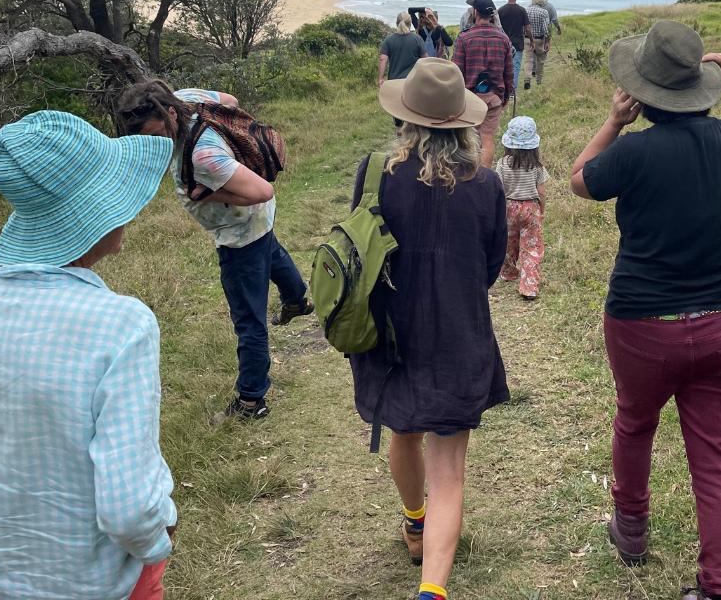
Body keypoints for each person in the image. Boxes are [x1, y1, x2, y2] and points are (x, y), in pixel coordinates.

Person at [0, 111, 177, 600]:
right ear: (95, 211)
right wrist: (157, 541)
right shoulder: (122, 325)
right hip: (99, 584)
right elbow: (129, 510)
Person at [569, 20, 721, 600]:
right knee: (714, 459)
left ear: (645, 92)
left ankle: (630, 529)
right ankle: (718, 587)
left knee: (635, 421)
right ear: (700, 85)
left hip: (642, 325)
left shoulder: (633, 152)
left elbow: (579, 181)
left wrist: (613, 122)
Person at [352, 57, 508, 600]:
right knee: (451, 472)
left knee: (403, 431)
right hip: (459, 333)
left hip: (390, 331)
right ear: (463, 124)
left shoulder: (376, 174)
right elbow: (490, 268)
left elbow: (361, 251)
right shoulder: (486, 185)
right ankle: (431, 590)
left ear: (406, 119)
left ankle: (414, 522)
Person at [116, 82, 314, 423]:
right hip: (258, 224)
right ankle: (297, 300)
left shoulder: (203, 156)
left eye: (157, 133)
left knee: (249, 321)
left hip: (239, 234)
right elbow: (231, 100)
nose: (154, 142)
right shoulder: (189, 98)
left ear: (171, 114)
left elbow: (263, 190)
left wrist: (208, 196)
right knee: (272, 253)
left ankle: (252, 402)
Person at [451, 0, 515, 167]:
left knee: (466, 139)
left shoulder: (464, 38)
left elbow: (455, 72)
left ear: (475, 13)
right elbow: (509, 73)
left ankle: (467, 176)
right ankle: (483, 179)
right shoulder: (503, 39)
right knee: (487, 139)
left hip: (468, 98)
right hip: (493, 98)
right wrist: (506, 97)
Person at [494, 115, 549, 300]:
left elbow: (498, 189)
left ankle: (508, 272)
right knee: (531, 247)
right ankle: (529, 286)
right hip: (530, 208)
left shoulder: (502, 164)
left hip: (509, 207)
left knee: (509, 243)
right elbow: (541, 192)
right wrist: (542, 208)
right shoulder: (537, 166)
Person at [382, 11, 428, 83]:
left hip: (394, 81)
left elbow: (383, 59)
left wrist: (380, 78)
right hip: (412, 82)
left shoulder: (388, 40)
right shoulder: (417, 39)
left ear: (397, 23)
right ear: (410, 24)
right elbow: (426, 60)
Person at [496, 0, 529, 86]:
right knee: (515, 67)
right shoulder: (522, 10)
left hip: (503, 43)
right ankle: (512, 91)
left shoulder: (500, 10)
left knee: (503, 67)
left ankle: (503, 89)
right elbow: (527, 28)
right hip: (518, 43)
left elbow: (496, 27)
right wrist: (531, 40)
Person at [524, 0, 552, 89]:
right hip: (539, 39)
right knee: (540, 61)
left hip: (527, 38)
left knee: (528, 60)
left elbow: (523, 26)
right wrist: (547, 42)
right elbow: (546, 29)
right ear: (542, 2)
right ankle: (539, 81)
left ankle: (527, 80)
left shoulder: (526, 10)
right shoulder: (544, 12)